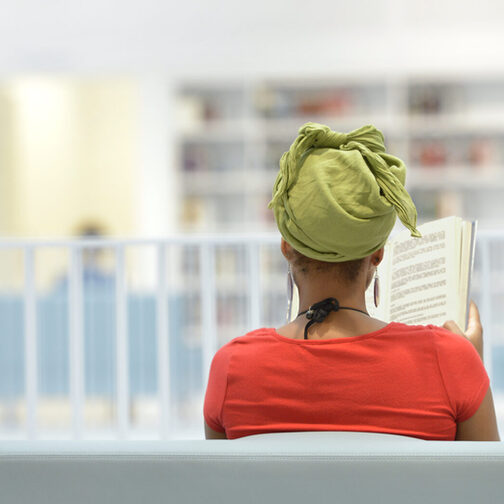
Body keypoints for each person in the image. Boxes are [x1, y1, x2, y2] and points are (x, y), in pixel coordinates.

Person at [203, 123, 500, 441]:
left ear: (287, 247)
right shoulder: (449, 360)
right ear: (377, 254)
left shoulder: (232, 368)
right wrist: (469, 367)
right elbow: (485, 487)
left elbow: (220, 490)